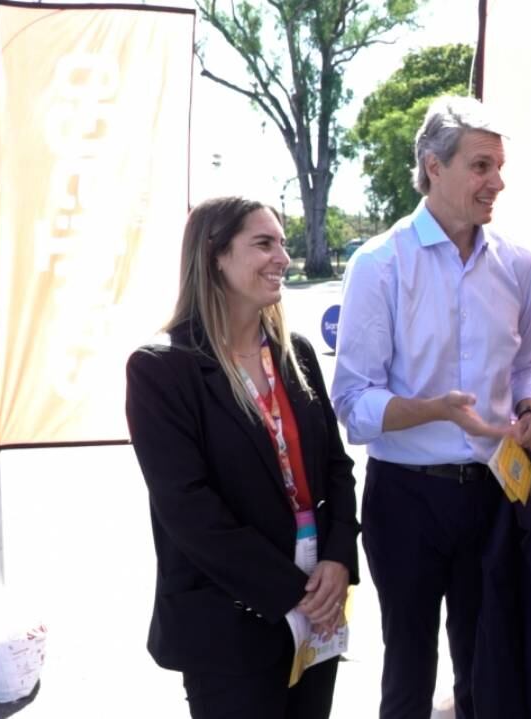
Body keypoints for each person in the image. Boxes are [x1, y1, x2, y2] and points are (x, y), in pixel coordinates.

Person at [331, 95, 531, 719]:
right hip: (406, 498)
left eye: (500, 167)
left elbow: (525, 367)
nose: (497, 182)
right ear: (434, 166)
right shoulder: (378, 264)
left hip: (494, 490)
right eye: (482, 166)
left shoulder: (519, 266)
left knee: (488, 668)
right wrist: (435, 410)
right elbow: (353, 405)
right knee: (408, 672)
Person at [125, 198, 359, 718]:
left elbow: (337, 470)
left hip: (317, 604)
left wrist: (339, 560)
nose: (283, 257)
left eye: (282, 243)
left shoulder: (293, 353)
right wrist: (293, 591)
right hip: (228, 619)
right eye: (263, 243)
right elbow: (188, 509)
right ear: (215, 256)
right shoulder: (162, 369)